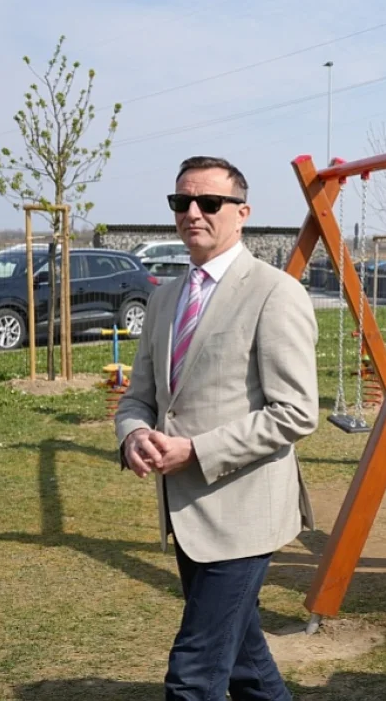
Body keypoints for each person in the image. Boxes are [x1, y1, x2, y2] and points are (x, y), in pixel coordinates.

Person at [115, 156, 318, 701]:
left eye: (208, 202)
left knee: (193, 675)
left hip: (244, 514)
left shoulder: (275, 293)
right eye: (181, 202)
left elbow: (297, 410)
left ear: (242, 213)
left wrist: (196, 451)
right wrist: (133, 436)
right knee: (247, 668)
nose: (193, 213)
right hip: (185, 512)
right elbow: (138, 399)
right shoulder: (163, 297)